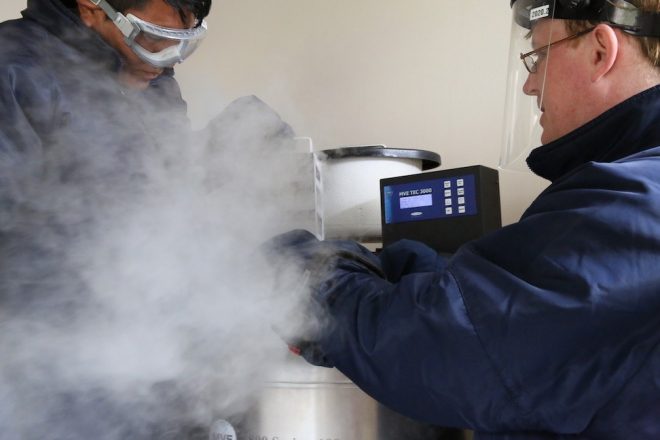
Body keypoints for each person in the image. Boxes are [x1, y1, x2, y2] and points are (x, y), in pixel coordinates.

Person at [268, 0, 660, 438]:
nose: (531, 85)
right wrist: (418, 277)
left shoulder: (635, 198)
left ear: (600, 51)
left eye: (540, 56)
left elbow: (456, 351)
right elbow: (518, 315)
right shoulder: (625, 187)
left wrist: (305, 273)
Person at [0, 0, 213, 438]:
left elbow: (170, 193)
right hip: (40, 348)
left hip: (134, 338)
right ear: (91, 10)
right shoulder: (14, 68)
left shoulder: (155, 82)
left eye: (180, 44)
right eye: (154, 39)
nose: (166, 59)